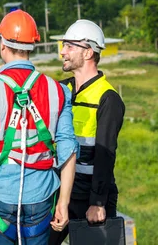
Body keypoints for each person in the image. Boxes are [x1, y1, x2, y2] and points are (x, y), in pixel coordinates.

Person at [0, 10, 78, 245]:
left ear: (3, 45)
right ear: (32, 46)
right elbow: (68, 149)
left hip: (1, 194)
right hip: (41, 196)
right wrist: (63, 203)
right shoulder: (59, 91)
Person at [48, 20, 125, 245]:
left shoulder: (108, 98)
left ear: (89, 52)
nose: (63, 52)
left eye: (70, 46)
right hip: (61, 192)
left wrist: (98, 202)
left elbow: (105, 154)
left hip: (91, 195)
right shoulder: (62, 90)